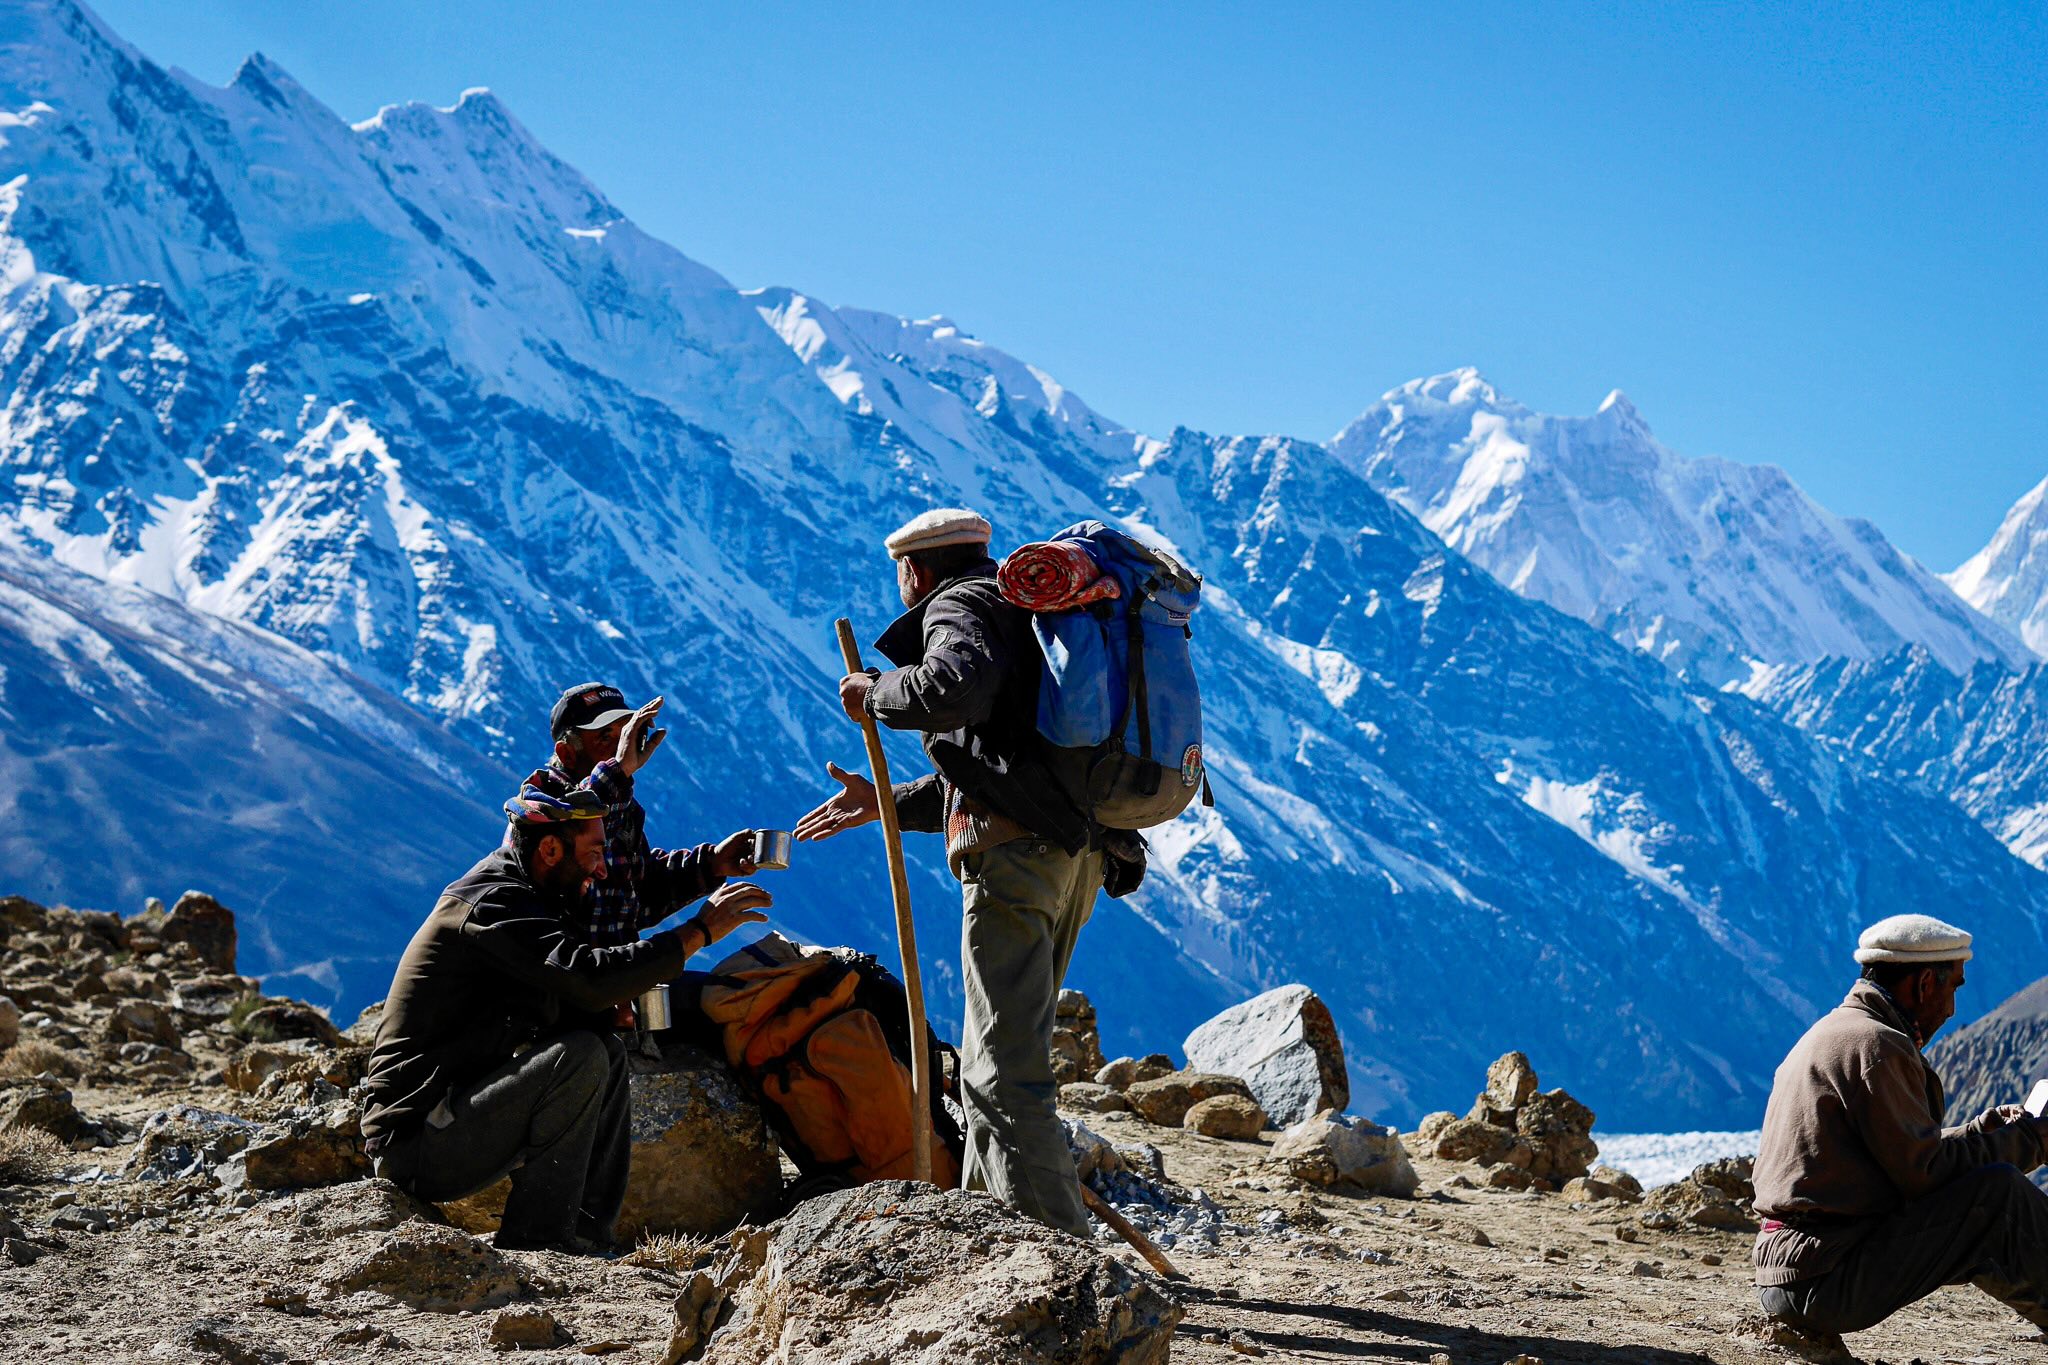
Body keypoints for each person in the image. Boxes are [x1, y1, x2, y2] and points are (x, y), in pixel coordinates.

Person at [794, 507, 1105, 1236]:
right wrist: (884, 803)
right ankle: (980, 1234)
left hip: (1017, 864)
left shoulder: (960, 604)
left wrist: (872, 692)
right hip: (1073, 855)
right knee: (994, 1064)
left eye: (900, 571)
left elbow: (951, 688)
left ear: (916, 569)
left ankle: (1070, 1264)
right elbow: (993, 769)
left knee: (1000, 1072)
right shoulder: (1020, 614)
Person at [360, 712, 772, 1254]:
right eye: (595, 855)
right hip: (418, 1140)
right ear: (551, 850)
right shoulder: (492, 904)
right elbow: (586, 976)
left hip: (458, 1114)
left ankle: (585, 1234)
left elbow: (574, 980)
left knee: (603, 1047)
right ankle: (541, 1240)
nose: (602, 872)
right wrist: (698, 932)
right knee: (577, 1056)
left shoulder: (534, 893)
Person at [1752, 913, 2048, 1344]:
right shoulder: (1877, 1046)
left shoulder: (1841, 1032)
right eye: (1952, 989)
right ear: (1926, 983)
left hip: (1797, 1270)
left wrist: (1981, 1132)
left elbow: (1898, 1152)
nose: (1951, 1009)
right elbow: (1922, 1174)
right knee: (1996, 1197)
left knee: (1988, 1194)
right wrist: (2032, 1141)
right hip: (1822, 1279)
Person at [520, 682, 759, 949]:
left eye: (626, 735)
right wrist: (617, 771)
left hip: (616, 980)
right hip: (567, 984)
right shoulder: (540, 810)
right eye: (605, 737)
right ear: (567, 754)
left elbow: (636, 896)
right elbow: (571, 885)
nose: (623, 748)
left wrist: (710, 864)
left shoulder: (620, 805)